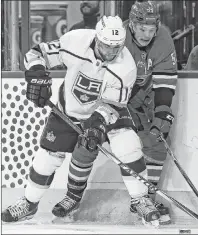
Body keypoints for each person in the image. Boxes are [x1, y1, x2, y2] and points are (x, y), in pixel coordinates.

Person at [2, 15, 162, 227]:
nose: (112, 52)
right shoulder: (75, 41)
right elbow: (36, 53)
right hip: (69, 109)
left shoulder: (127, 67)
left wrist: (97, 124)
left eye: (117, 47)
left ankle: (140, 199)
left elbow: (113, 105)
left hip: (108, 112)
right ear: (97, 38)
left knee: (128, 146)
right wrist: (36, 72)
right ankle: (29, 203)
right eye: (107, 46)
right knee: (46, 159)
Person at [124, 0, 178, 224]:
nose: (147, 35)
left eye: (151, 29)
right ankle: (73, 195)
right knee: (126, 143)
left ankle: (147, 197)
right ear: (132, 26)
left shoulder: (163, 38)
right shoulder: (119, 37)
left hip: (145, 96)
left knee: (157, 136)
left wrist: (163, 113)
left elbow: (165, 83)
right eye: (142, 29)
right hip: (116, 96)